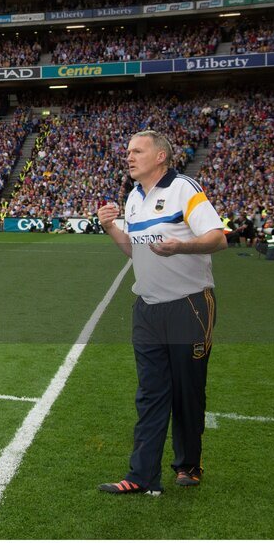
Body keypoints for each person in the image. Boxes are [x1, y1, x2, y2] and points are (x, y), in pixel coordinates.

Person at [95, 130, 227, 495]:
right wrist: (110, 227)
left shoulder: (185, 188)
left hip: (189, 305)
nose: (129, 156)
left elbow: (218, 237)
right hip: (147, 309)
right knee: (150, 393)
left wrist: (181, 247)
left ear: (160, 157)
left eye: (137, 150)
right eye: (127, 150)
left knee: (187, 390)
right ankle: (141, 475)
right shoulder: (134, 198)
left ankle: (188, 465)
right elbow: (134, 253)